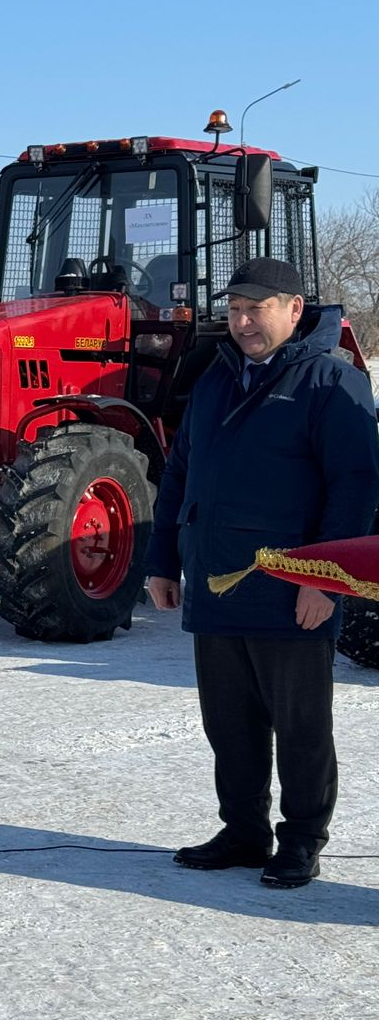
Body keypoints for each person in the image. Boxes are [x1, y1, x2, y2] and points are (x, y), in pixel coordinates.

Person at [147, 257, 379, 889]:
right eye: (236, 309)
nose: (244, 321)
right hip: (216, 579)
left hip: (290, 589)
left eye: (258, 308)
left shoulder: (331, 383)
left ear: (294, 309)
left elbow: (355, 487)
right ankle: (243, 831)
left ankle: (302, 839)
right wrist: (163, 559)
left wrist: (324, 579)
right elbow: (179, 475)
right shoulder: (213, 381)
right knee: (230, 722)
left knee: (301, 725)